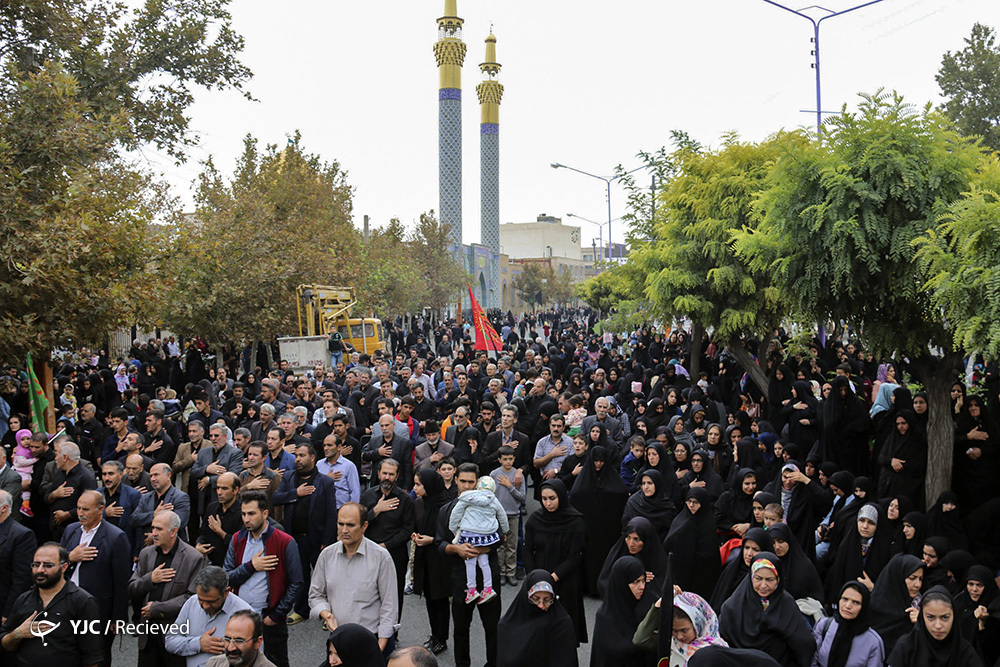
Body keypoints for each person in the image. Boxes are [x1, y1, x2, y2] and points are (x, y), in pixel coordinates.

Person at [224, 490, 304, 667]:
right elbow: (227, 577)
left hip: (270, 621)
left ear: (265, 513)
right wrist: (250, 566)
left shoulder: (285, 541)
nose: (246, 519)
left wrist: (276, 614)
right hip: (240, 619)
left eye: (251, 513)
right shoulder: (237, 539)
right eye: (243, 514)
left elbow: (296, 583)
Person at [434, 463, 502, 667]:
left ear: (477, 483)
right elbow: (439, 543)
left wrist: (485, 548)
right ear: (456, 480)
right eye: (462, 481)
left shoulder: (491, 504)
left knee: (493, 628)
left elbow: (501, 536)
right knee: (461, 629)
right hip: (460, 578)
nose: (466, 486)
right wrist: (457, 549)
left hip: (488, 576)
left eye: (470, 482)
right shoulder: (447, 510)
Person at [309, 503, 398, 655]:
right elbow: (316, 595)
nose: (344, 530)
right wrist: (326, 613)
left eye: (350, 525)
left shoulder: (381, 557)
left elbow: (389, 606)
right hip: (338, 640)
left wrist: (378, 648)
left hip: (373, 639)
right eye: (340, 524)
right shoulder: (326, 555)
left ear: (364, 526)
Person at [0, 542, 103, 667]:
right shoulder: (23, 600)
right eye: (36, 564)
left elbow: (92, 657)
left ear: (64, 567)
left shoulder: (82, 602)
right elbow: (5, 645)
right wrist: (17, 634)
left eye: (48, 565)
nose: (40, 570)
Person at [61, 490, 132, 666]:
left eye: (85, 509)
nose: (80, 513)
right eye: (78, 508)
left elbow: (122, 581)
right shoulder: (71, 530)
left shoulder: (116, 537)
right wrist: (70, 557)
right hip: (67, 605)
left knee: (97, 657)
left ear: (100, 509)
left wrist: (118, 618)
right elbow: (56, 562)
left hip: (98, 609)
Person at [128, 511, 206, 667]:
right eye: (153, 528)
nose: (154, 533)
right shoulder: (146, 554)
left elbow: (191, 598)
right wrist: (150, 579)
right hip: (148, 635)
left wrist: (157, 608)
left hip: (175, 634)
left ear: (173, 531)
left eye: (159, 529)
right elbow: (131, 588)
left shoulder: (193, 557)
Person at [271, 443, 338, 625]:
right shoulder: (289, 478)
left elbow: (332, 513)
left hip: (318, 539)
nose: (298, 459)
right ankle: (302, 609)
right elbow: (276, 498)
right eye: (296, 456)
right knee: (299, 576)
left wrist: (328, 539)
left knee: (326, 578)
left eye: (302, 456)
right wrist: (296, 493)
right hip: (295, 538)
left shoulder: (325, 481)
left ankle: (330, 613)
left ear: (312, 457)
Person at [719, 552, 816, 667]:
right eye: (758, 578)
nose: (763, 585)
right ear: (750, 577)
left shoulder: (786, 604)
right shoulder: (733, 606)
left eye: (770, 580)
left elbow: (803, 643)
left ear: (778, 580)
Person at [523, 478, 587, 644]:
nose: (548, 503)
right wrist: (534, 578)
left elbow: (575, 556)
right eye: (544, 499)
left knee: (562, 633)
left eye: (552, 498)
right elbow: (528, 549)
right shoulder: (535, 519)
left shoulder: (575, 521)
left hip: (564, 581)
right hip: (538, 581)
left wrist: (552, 578)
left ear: (561, 497)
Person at [569, 446, 629, 597]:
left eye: (602, 461)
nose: (598, 464)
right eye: (595, 461)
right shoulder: (583, 480)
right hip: (587, 529)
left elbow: (621, 494)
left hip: (606, 531)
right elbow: (576, 496)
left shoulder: (612, 478)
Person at [164, 565, 252, 667]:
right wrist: (198, 644)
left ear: (226, 592)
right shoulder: (191, 603)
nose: (205, 606)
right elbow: (170, 640)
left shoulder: (245, 615)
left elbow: (253, 658)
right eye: (201, 600)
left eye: (211, 601)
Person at [360, 458, 414, 622]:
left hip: (395, 555)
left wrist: (385, 546)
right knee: (368, 593)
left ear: (397, 476)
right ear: (378, 473)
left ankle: (392, 633)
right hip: (368, 553)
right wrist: (375, 510)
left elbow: (407, 530)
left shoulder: (404, 499)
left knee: (394, 595)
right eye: (384, 473)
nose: (387, 477)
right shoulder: (368, 495)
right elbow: (359, 524)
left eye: (391, 474)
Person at [497, 570, 579, 667]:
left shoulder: (562, 624)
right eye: (535, 599)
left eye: (547, 600)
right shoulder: (506, 625)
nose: (541, 605)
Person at [448, 475, 508, 605]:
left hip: (470, 534)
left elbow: (456, 514)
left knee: (470, 561)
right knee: (484, 561)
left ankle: (472, 589)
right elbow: (502, 515)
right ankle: (488, 588)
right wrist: (505, 530)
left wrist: (453, 528)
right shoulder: (493, 499)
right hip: (487, 535)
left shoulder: (467, 497)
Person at [887, 586, 983, 667]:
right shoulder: (906, 647)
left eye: (945, 618)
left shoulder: (965, 652)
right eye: (930, 617)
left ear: (954, 617)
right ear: (922, 617)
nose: (938, 626)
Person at [410, 469, 451, 655]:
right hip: (423, 558)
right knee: (429, 598)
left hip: (440, 559)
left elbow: (451, 536)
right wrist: (415, 534)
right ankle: (434, 634)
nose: (415, 488)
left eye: (419, 484)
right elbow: (415, 525)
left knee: (440, 600)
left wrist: (431, 540)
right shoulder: (418, 504)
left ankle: (442, 638)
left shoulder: (445, 506)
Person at [590, 556, 655, 666]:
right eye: (636, 582)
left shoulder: (648, 605)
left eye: (643, 580)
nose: (642, 587)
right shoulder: (605, 616)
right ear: (621, 583)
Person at [633, 591, 729, 666]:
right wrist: (658, 606)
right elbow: (641, 639)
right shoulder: (670, 642)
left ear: (698, 625)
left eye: (684, 630)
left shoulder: (716, 650)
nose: (679, 636)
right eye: (674, 630)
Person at [664, 488, 722, 600]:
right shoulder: (681, 519)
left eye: (695, 502)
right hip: (680, 572)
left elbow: (710, 554)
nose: (691, 505)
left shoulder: (707, 524)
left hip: (701, 576)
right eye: (688, 501)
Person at [811, 581, 885, 667]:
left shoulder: (873, 642)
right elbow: (813, 660)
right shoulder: (824, 625)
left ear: (864, 606)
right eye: (845, 599)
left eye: (856, 602)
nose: (848, 606)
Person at [597, 517, 668, 600]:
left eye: (636, 539)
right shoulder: (619, 552)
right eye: (628, 537)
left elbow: (662, 585)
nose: (631, 544)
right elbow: (603, 583)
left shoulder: (657, 559)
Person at [869, 553, 924, 656]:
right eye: (912, 578)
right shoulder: (875, 606)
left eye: (920, 579)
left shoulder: (921, 606)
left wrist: (921, 622)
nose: (918, 584)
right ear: (897, 577)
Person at [710, 527, 773, 611]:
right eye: (746, 547)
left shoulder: (769, 576)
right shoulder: (732, 569)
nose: (749, 554)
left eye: (755, 549)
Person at [131, 463, 192, 545]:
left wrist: (154, 536)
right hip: (148, 549)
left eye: (156, 475)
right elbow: (134, 520)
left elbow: (180, 523)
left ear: (168, 475)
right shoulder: (145, 497)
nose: (152, 479)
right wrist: (154, 514)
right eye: (151, 476)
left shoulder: (180, 497)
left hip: (173, 548)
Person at [195, 473, 242, 567]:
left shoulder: (243, 512)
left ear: (235, 490)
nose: (219, 492)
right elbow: (203, 532)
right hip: (212, 563)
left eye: (224, 488)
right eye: (217, 488)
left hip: (234, 565)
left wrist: (220, 531)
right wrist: (199, 544)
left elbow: (241, 544)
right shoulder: (212, 507)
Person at [99, 460, 143, 556]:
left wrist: (137, 552)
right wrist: (105, 513)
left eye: (111, 474)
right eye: (104, 474)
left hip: (124, 547)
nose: (107, 478)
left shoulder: (133, 495)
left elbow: (138, 524)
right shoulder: (97, 494)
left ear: (121, 474)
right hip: (101, 546)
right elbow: (89, 517)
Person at [204, 610, 275, 667]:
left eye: (239, 641)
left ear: (257, 643)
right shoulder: (213, 664)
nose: (230, 648)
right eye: (227, 640)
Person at [621, 469, 677, 542]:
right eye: (643, 483)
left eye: (649, 483)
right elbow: (626, 525)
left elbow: (668, 532)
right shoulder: (633, 502)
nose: (646, 487)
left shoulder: (667, 506)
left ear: (657, 484)